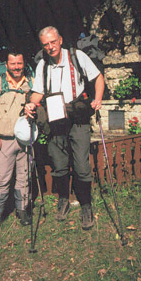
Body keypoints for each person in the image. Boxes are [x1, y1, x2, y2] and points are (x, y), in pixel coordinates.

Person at [25, 26, 105, 230]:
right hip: (55, 118)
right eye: (45, 44)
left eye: (53, 42)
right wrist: (32, 104)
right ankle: (63, 199)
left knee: (81, 164)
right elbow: (37, 92)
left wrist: (97, 99)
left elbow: (98, 78)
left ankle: (86, 204)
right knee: (58, 163)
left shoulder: (77, 57)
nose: (50, 47)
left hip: (77, 116)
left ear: (60, 40)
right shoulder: (43, 65)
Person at [0, 50, 33, 231]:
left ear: (23, 63)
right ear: (7, 64)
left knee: (24, 177)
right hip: (3, 141)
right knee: (2, 179)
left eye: (19, 63)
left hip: (26, 141)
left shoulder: (31, 83)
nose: (17, 67)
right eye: (13, 64)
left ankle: (22, 211)